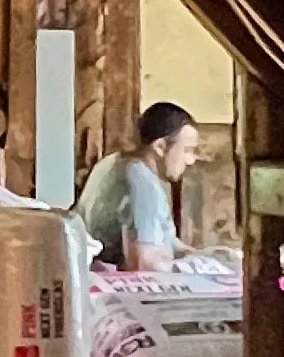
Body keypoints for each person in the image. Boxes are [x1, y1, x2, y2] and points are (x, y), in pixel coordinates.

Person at [76, 100, 201, 271]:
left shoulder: (113, 162)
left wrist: (209, 257)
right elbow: (143, 263)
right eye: (187, 150)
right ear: (160, 147)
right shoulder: (141, 181)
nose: (191, 160)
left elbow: (164, 239)